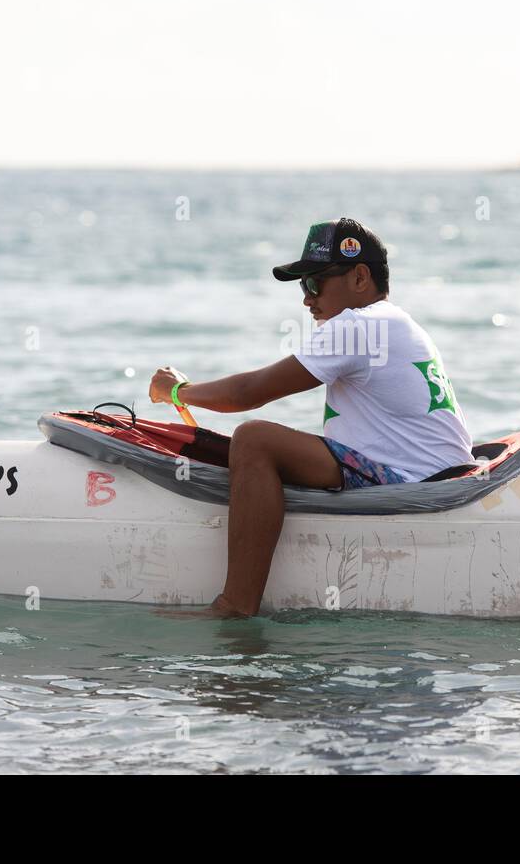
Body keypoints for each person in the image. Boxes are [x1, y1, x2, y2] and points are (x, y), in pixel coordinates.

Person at [147, 218, 474, 617]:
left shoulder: (359, 327)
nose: (306, 299)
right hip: (435, 473)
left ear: (359, 277)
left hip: (414, 481)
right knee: (274, 441)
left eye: (315, 283)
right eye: (304, 286)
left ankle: (234, 606)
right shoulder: (396, 321)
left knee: (254, 440)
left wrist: (178, 391)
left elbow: (250, 394)